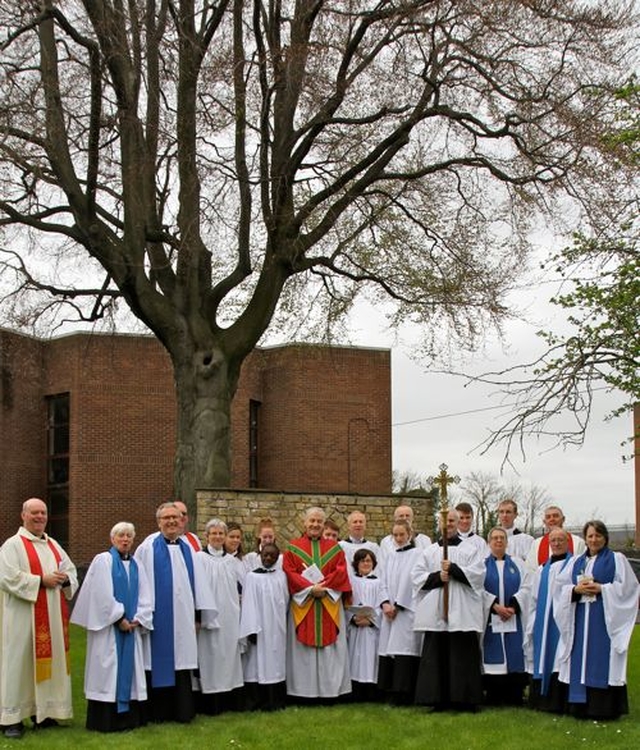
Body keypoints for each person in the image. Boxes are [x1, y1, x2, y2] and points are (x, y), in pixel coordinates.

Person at [0, 498, 78, 739]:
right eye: (34, 513)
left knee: (48, 665)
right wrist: (40, 581)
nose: (39, 517)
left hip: (51, 617)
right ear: (23, 515)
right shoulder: (12, 546)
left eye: (43, 513)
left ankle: (43, 713)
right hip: (22, 618)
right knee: (18, 665)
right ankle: (11, 719)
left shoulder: (53, 544)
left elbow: (71, 570)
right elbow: (7, 577)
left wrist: (65, 579)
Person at [134, 502, 214, 724]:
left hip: (184, 617)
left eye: (175, 518)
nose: (171, 521)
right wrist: (142, 614)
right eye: (166, 518)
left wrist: (199, 614)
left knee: (182, 661)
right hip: (158, 618)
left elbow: (199, 584)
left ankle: (183, 711)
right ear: (158, 522)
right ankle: (159, 712)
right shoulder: (147, 548)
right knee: (159, 660)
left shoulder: (189, 548)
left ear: (182, 521)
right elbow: (139, 583)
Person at [70, 522, 153, 732]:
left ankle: (129, 719)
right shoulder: (103, 561)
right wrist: (119, 618)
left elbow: (146, 595)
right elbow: (101, 595)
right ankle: (106, 721)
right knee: (107, 672)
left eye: (128, 536)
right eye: (120, 536)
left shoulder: (137, 565)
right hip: (109, 630)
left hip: (131, 629)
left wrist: (138, 618)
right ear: (112, 539)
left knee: (131, 673)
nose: (125, 540)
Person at [553, 520, 639, 720]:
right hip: (579, 619)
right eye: (590, 536)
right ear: (585, 538)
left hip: (603, 619)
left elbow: (629, 588)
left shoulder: (617, 559)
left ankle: (603, 709)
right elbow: (559, 588)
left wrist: (604, 589)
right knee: (579, 659)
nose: (594, 539)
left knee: (601, 659)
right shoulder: (576, 562)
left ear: (605, 537)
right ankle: (579, 707)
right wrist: (575, 590)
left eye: (598, 535)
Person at [412, 509, 486, 712]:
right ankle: (437, 699)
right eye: (445, 521)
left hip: (462, 610)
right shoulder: (429, 552)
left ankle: (465, 699)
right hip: (437, 611)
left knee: (462, 655)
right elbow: (417, 577)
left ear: (458, 522)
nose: (449, 524)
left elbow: (479, 575)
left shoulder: (470, 550)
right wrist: (438, 577)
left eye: (452, 520)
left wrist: (454, 570)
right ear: (440, 524)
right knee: (437, 655)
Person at [283, 507, 352, 701]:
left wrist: (324, 588)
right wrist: (310, 589)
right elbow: (289, 572)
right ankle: (303, 693)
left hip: (328, 603)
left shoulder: (335, 548)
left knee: (330, 650)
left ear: (323, 524)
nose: (315, 525)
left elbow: (340, 572)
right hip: (303, 604)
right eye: (312, 521)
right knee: (303, 651)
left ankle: (330, 692)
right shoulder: (293, 548)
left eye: (319, 522)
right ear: (304, 523)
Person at [197, 518, 245, 714]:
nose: (217, 537)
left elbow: (245, 586)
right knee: (208, 656)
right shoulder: (198, 558)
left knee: (227, 657)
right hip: (208, 617)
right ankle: (209, 702)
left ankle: (228, 700)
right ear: (207, 536)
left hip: (229, 617)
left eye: (220, 534)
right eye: (213, 533)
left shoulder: (232, 562)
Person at [524, 527, 573, 713]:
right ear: (549, 544)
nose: (557, 543)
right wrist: (533, 622)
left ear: (567, 542)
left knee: (560, 660)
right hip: (543, 623)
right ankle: (541, 701)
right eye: (553, 540)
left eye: (561, 539)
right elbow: (535, 599)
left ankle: (560, 702)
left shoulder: (573, 565)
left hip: (563, 623)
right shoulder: (542, 569)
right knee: (543, 657)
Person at [481, 527, 530, 706]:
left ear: (507, 542)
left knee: (515, 654)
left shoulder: (517, 564)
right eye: (495, 538)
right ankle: (493, 696)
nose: (499, 541)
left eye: (502, 538)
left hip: (513, 617)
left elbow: (527, 586)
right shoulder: (482, 565)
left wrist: (513, 606)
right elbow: (477, 589)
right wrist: (494, 606)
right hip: (491, 619)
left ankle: (515, 695)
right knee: (492, 654)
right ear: (489, 542)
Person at [377, 520, 423, 705]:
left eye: (401, 535)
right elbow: (383, 581)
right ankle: (390, 691)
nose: (398, 538)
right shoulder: (390, 556)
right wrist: (385, 603)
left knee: (405, 650)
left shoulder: (417, 554)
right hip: (390, 612)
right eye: (395, 535)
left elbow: (413, 581)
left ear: (409, 535)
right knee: (390, 651)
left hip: (406, 611)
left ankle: (405, 693)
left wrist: (399, 604)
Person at [240, 543, 289, 711]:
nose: (268, 558)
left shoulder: (281, 576)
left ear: (277, 557)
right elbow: (248, 604)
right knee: (256, 664)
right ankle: (255, 701)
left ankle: (275, 701)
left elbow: (286, 600)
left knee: (275, 663)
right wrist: (251, 629)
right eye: (265, 555)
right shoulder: (252, 577)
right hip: (259, 628)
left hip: (277, 628)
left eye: (272, 556)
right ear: (260, 555)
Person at [346, 549, 384, 702]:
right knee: (354, 658)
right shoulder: (351, 581)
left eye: (369, 561)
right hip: (355, 627)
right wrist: (353, 617)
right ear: (356, 563)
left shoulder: (379, 582)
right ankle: (354, 692)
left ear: (374, 563)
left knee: (370, 660)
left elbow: (382, 604)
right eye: (362, 561)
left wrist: (371, 620)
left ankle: (371, 692)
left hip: (371, 629)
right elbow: (347, 602)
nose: (366, 563)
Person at [525, 505, 586, 571]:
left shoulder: (577, 542)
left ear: (563, 519)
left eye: (555, 516)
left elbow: (584, 566)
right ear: (544, 522)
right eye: (548, 517)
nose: (552, 519)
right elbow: (531, 570)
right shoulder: (537, 544)